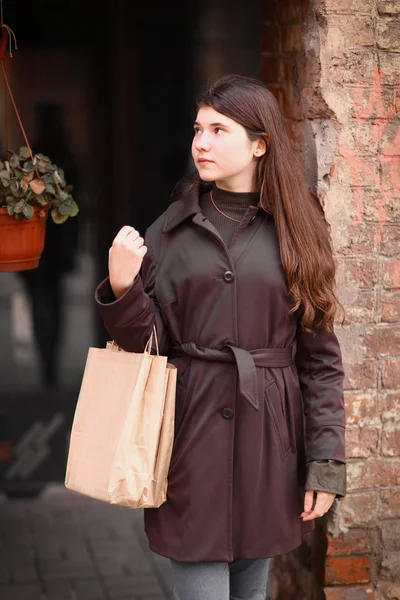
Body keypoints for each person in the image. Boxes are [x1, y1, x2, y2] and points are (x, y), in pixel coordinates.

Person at [95, 74, 346, 600]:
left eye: (218, 129)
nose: (201, 143)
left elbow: (321, 358)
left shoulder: (298, 227)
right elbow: (150, 347)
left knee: (252, 592)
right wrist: (124, 289)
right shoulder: (171, 228)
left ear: (259, 144)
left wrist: (325, 463)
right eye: (197, 129)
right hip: (191, 432)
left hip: (269, 437)